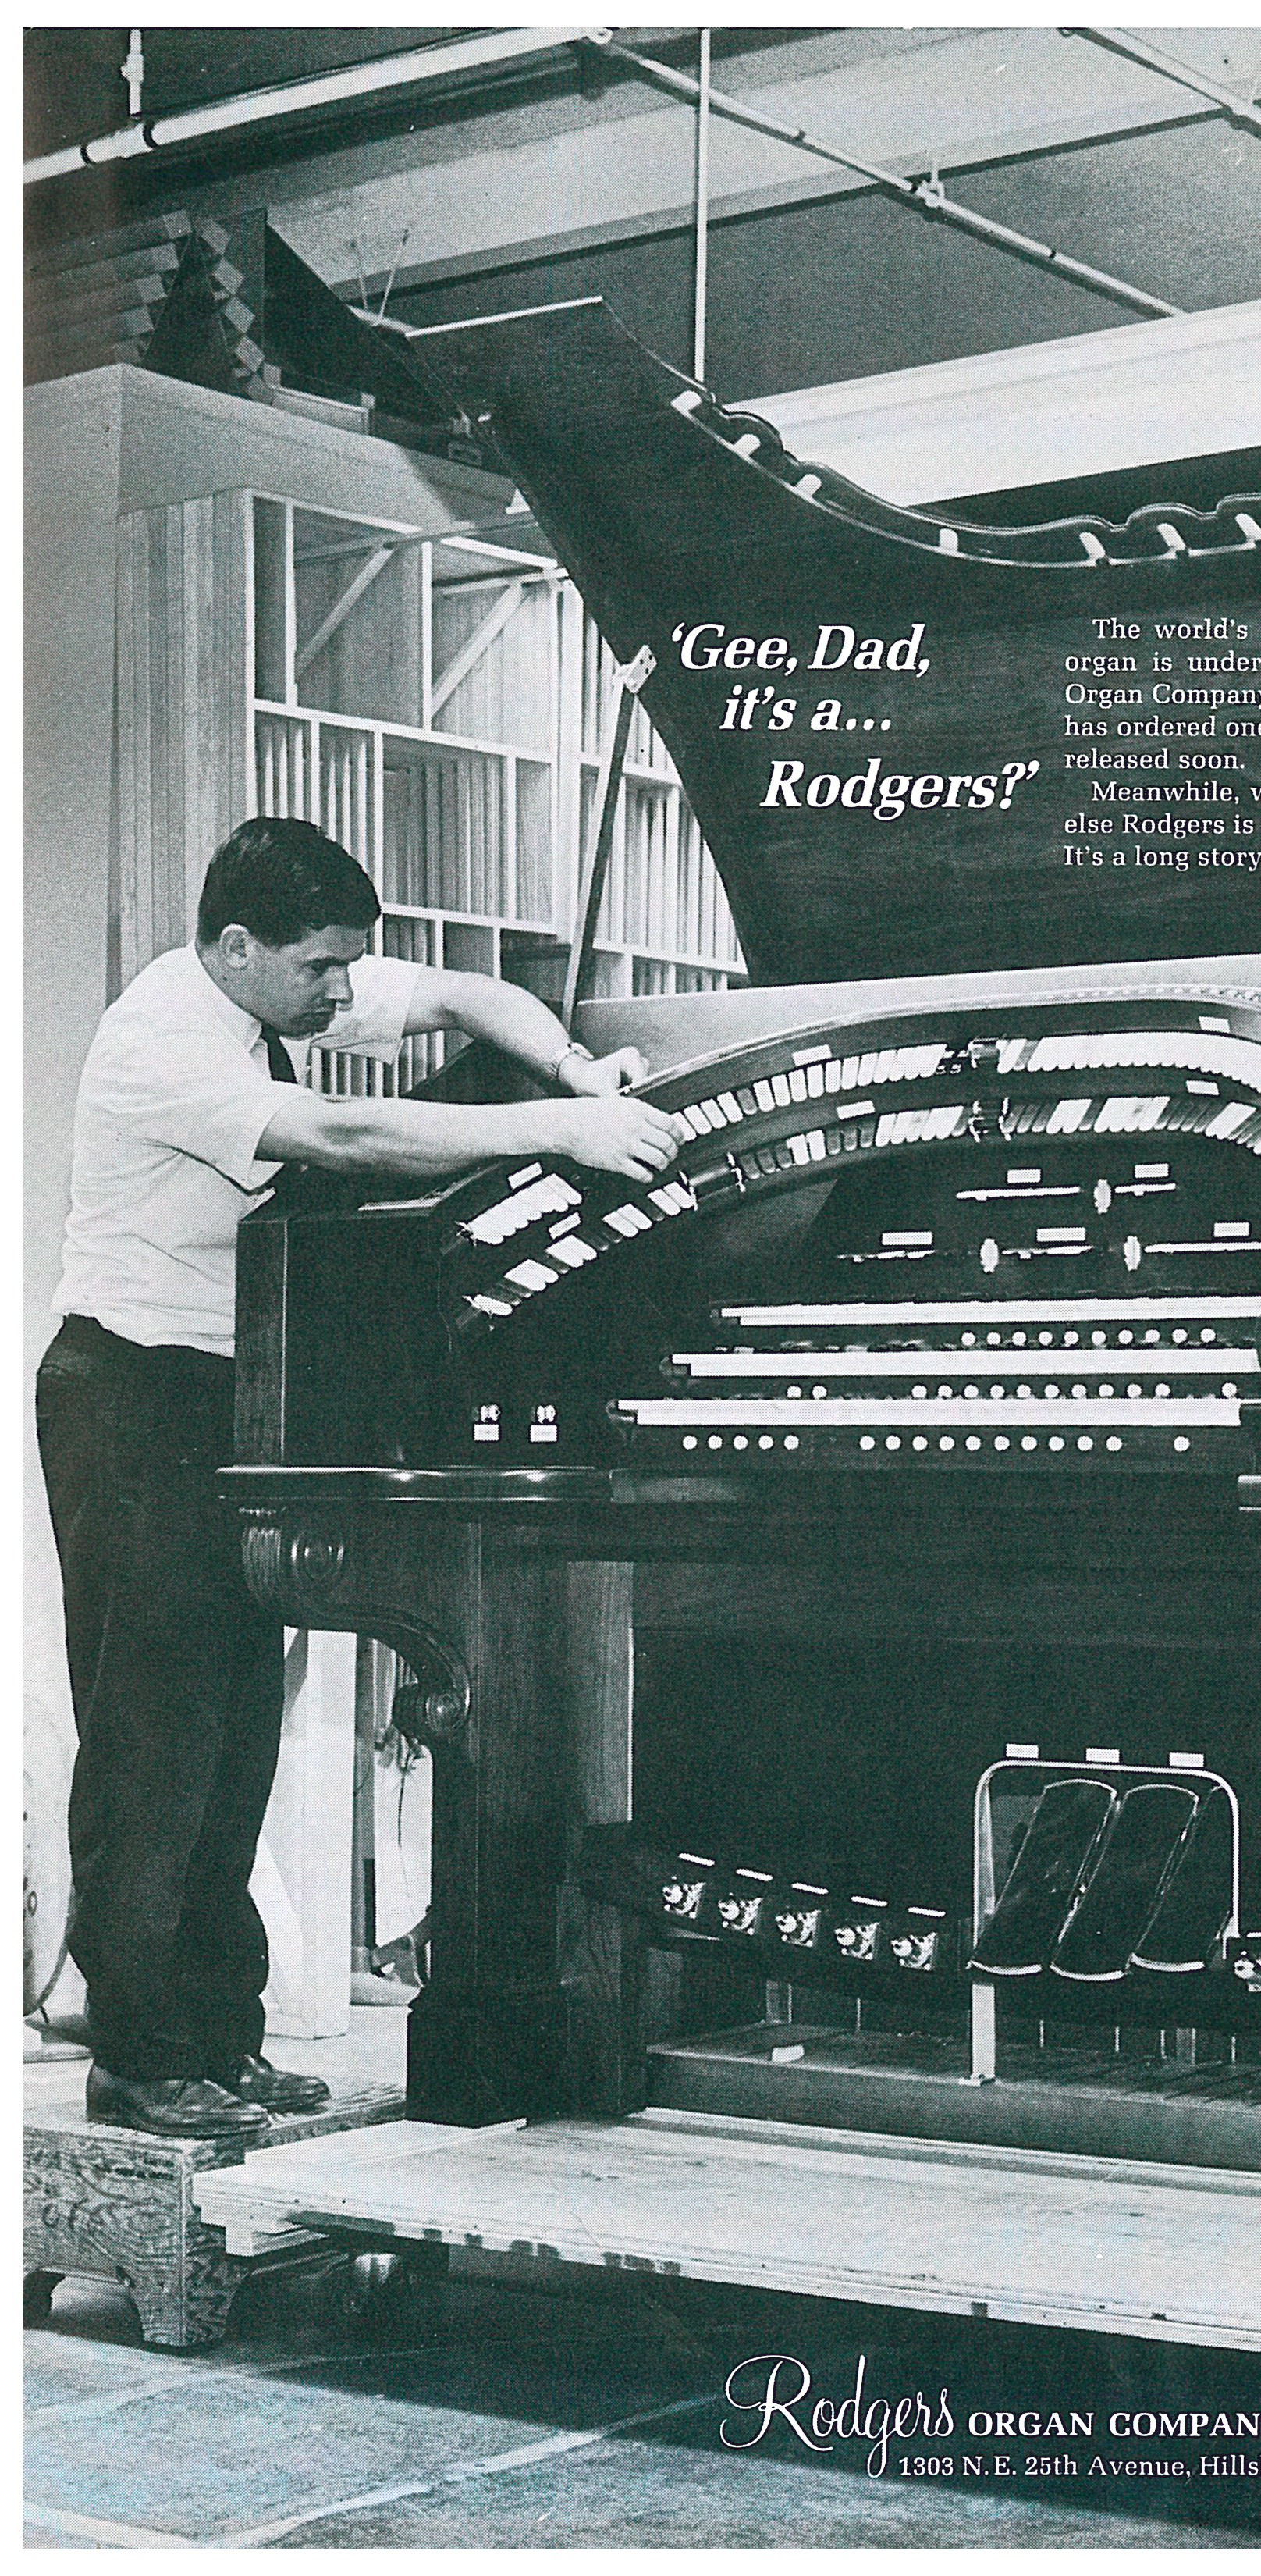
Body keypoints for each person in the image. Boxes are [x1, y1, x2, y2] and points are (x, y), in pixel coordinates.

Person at [37, 817, 685, 2138]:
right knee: (153, 1734)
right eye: (320, 967)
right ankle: (139, 2055)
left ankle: (217, 2036)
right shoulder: (160, 1035)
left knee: (234, 1735)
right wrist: (564, 1129)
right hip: (136, 1398)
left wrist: (575, 1064)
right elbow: (338, 1131)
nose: (342, 992)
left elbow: (465, 996)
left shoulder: (273, 988)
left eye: (348, 964)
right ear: (236, 947)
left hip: (233, 1396)